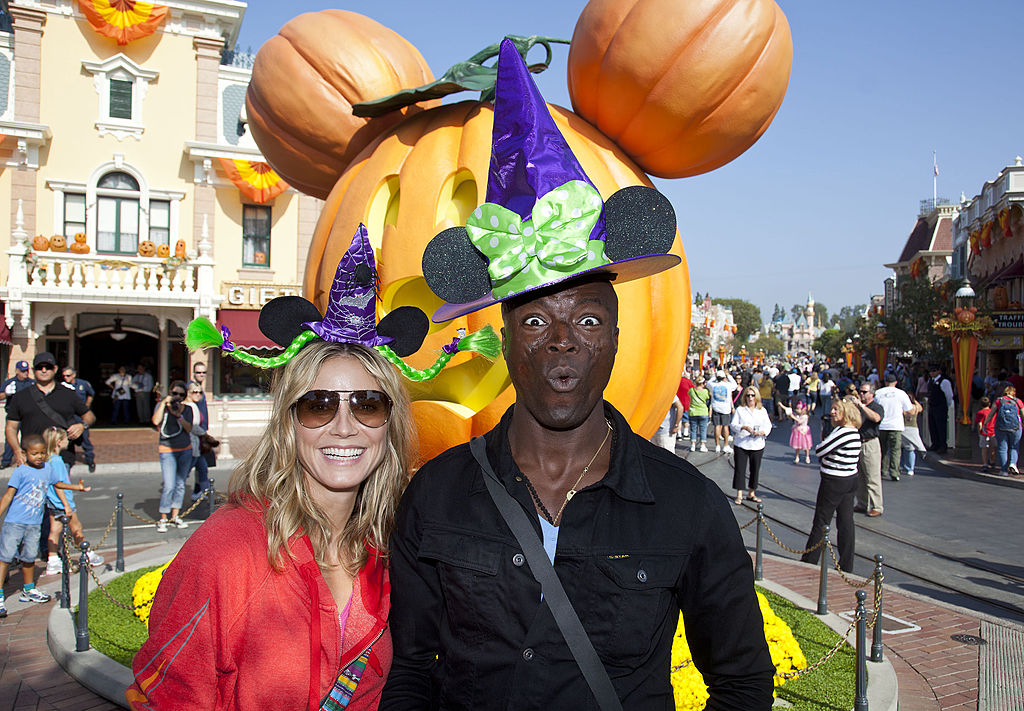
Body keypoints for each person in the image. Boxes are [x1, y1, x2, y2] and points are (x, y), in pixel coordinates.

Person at [383, 41, 774, 710]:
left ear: (617, 340)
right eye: (535, 322)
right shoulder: (436, 498)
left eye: (588, 321)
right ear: (503, 341)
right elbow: (414, 671)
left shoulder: (688, 506)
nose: (563, 339)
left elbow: (741, 682)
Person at [128, 225, 441, 710]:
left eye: (367, 404)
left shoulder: (393, 545)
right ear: (289, 422)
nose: (343, 426)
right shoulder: (226, 552)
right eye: (318, 405)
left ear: (389, 423)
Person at [0, 433, 88, 617]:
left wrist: (77, 488)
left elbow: (58, 484)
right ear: (25, 453)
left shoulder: (47, 469)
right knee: (6, 558)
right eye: (34, 453)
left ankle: (28, 589)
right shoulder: (21, 471)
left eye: (41, 453)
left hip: (34, 523)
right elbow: (8, 495)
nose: (39, 457)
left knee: (29, 557)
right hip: (14, 522)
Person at [800, 398, 863, 572]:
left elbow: (820, 450)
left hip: (834, 481)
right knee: (845, 521)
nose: (832, 412)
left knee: (821, 521)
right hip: (850, 479)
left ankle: (809, 561)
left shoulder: (843, 432)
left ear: (846, 414)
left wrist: (824, 441)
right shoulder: (855, 433)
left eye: (836, 409)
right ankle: (846, 564)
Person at [5, 352, 95, 471]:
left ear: (55, 369)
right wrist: (17, 451)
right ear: (33, 370)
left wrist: (82, 426)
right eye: (39, 367)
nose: (44, 370)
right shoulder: (21, 397)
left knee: (61, 489)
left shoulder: (68, 394)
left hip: (61, 458)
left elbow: (90, 416)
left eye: (48, 367)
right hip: (32, 459)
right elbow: (11, 428)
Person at [42, 427, 102, 575]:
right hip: (63, 503)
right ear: (58, 442)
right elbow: (59, 485)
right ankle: (87, 553)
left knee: (54, 531)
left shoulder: (47, 460)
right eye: (65, 438)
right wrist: (67, 505)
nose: (68, 441)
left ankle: (53, 560)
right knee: (77, 528)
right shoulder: (57, 461)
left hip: (52, 503)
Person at [151, 381, 195, 532]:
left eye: (181, 395)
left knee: (180, 484)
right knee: (169, 485)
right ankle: (163, 518)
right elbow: (155, 421)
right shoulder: (163, 407)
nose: (177, 397)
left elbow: (189, 429)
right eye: (175, 394)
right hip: (167, 449)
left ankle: (175, 515)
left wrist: (179, 416)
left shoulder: (187, 409)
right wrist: (164, 403)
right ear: (170, 392)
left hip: (185, 449)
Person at [730, 386, 772, 505]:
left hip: (757, 444)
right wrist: (743, 427)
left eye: (752, 395)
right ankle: (739, 494)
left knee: (755, 469)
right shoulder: (740, 410)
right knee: (740, 469)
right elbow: (733, 425)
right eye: (748, 395)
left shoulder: (762, 410)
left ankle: (751, 493)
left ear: (756, 397)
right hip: (742, 443)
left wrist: (762, 432)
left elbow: (768, 426)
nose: (750, 398)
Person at [874, 372, 914, 482]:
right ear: (896, 382)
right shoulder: (901, 394)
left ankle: (882, 470)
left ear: (885, 382)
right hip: (896, 426)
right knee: (895, 450)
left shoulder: (878, 393)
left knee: (883, 449)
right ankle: (894, 472)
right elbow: (909, 409)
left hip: (882, 425)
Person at [852, 382, 885, 517]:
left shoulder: (876, 407)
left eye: (864, 392)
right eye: (860, 391)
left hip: (870, 443)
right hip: (858, 442)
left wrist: (861, 406)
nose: (861, 394)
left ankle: (877, 505)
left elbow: (876, 418)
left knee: (872, 476)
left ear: (872, 393)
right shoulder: (857, 407)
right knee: (860, 476)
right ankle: (862, 502)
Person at [983, 385, 1024, 476]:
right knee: (1014, 447)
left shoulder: (999, 401)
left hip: (1001, 427)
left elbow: (991, 414)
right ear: (1013, 393)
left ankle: (1004, 470)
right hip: (1015, 428)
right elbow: (1023, 414)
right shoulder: (1018, 402)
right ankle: (1013, 463)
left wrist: (985, 423)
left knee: (1002, 448)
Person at [62, 367, 96, 473]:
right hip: (69, 417)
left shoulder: (83, 384)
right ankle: (69, 461)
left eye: (68, 375)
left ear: (73, 375)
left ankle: (90, 460)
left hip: (80, 416)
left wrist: (87, 406)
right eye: (64, 376)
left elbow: (91, 394)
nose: (65, 378)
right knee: (69, 441)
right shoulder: (62, 386)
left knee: (85, 440)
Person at [1, 360, 34, 468]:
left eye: (26, 371)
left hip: (27, 415)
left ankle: (28, 460)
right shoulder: (10, 383)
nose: (25, 373)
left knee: (28, 438)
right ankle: (6, 461)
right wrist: (6, 393)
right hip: (13, 415)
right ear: (17, 371)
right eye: (22, 371)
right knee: (10, 438)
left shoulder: (32, 383)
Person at [187, 363, 212, 500]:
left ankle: (200, 491)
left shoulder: (199, 388)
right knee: (185, 470)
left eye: (203, 372)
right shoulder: (192, 389)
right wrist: (204, 434)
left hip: (201, 434)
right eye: (198, 372)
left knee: (201, 466)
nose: (201, 375)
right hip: (194, 436)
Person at [926, 364, 954, 452]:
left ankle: (942, 445)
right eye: (930, 371)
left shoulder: (944, 381)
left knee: (941, 427)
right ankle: (935, 443)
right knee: (932, 426)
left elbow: (949, 395)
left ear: (939, 371)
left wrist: (946, 405)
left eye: (934, 371)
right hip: (932, 407)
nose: (932, 373)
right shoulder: (930, 381)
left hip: (940, 407)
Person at [709, 369, 737, 452]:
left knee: (717, 426)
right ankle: (725, 445)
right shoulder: (728, 385)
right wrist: (728, 375)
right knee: (725, 426)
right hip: (725, 409)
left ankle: (717, 445)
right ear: (724, 377)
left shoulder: (713, 385)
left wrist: (714, 375)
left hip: (715, 407)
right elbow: (735, 385)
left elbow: (708, 382)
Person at [900, 393, 925, 476]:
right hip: (914, 428)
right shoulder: (915, 407)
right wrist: (915, 401)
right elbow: (921, 409)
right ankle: (910, 468)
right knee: (911, 448)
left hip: (903, 428)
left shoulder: (902, 407)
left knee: (903, 448)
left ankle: (902, 466)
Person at [688, 375, 711, 452]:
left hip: (693, 412)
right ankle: (702, 445)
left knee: (693, 429)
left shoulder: (691, 391)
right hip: (703, 412)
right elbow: (707, 398)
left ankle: (693, 445)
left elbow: (689, 396)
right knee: (703, 429)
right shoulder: (705, 392)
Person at [786, 400, 813, 464]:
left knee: (806, 445)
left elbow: (799, 422)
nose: (797, 410)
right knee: (797, 445)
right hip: (797, 432)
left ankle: (807, 456)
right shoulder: (797, 415)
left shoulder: (805, 417)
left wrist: (793, 416)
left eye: (798, 409)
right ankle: (797, 457)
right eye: (797, 409)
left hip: (803, 432)